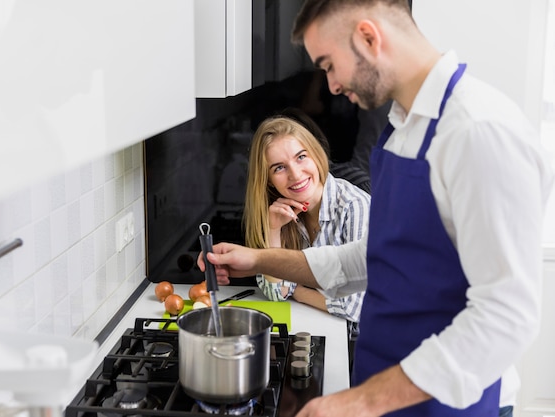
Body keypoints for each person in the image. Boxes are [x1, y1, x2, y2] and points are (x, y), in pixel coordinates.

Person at [197, 1, 555, 416]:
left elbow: (506, 317)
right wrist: (259, 259)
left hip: (449, 404)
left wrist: (361, 402)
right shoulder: (404, 128)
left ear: (369, 37)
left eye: (329, 65)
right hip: (393, 387)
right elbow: (373, 257)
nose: (330, 85)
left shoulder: (478, 132)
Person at [244, 114, 370, 338]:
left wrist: (297, 291)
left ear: (315, 155)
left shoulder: (354, 206)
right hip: (328, 331)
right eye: (279, 168)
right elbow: (275, 292)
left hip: (374, 344)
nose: (295, 174)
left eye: (301, 157)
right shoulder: (284, 213)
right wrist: (273, 231)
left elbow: (355, 307)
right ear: (268, 180)